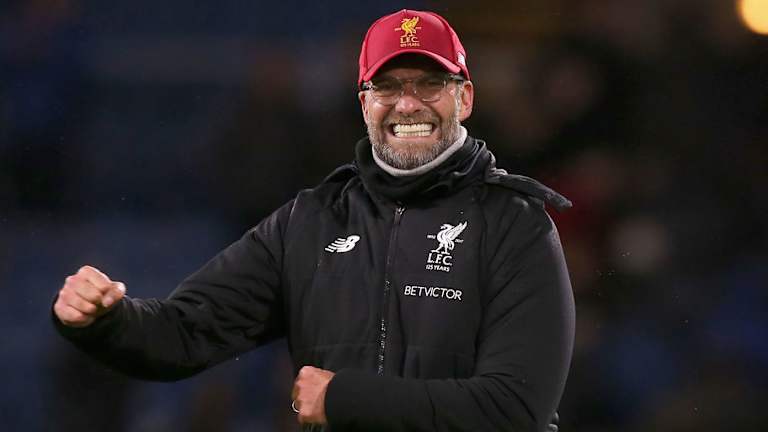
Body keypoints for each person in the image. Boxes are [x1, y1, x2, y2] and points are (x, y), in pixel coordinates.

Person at [53, 9, 575, 432]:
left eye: (429, 83)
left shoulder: (516, 225)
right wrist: (104, 321)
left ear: (465, 98)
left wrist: (344, 398)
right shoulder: (311, 222)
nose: (407, 103)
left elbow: (514, 410)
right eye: (387, 86)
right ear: (365, 103)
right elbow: (183, 333)